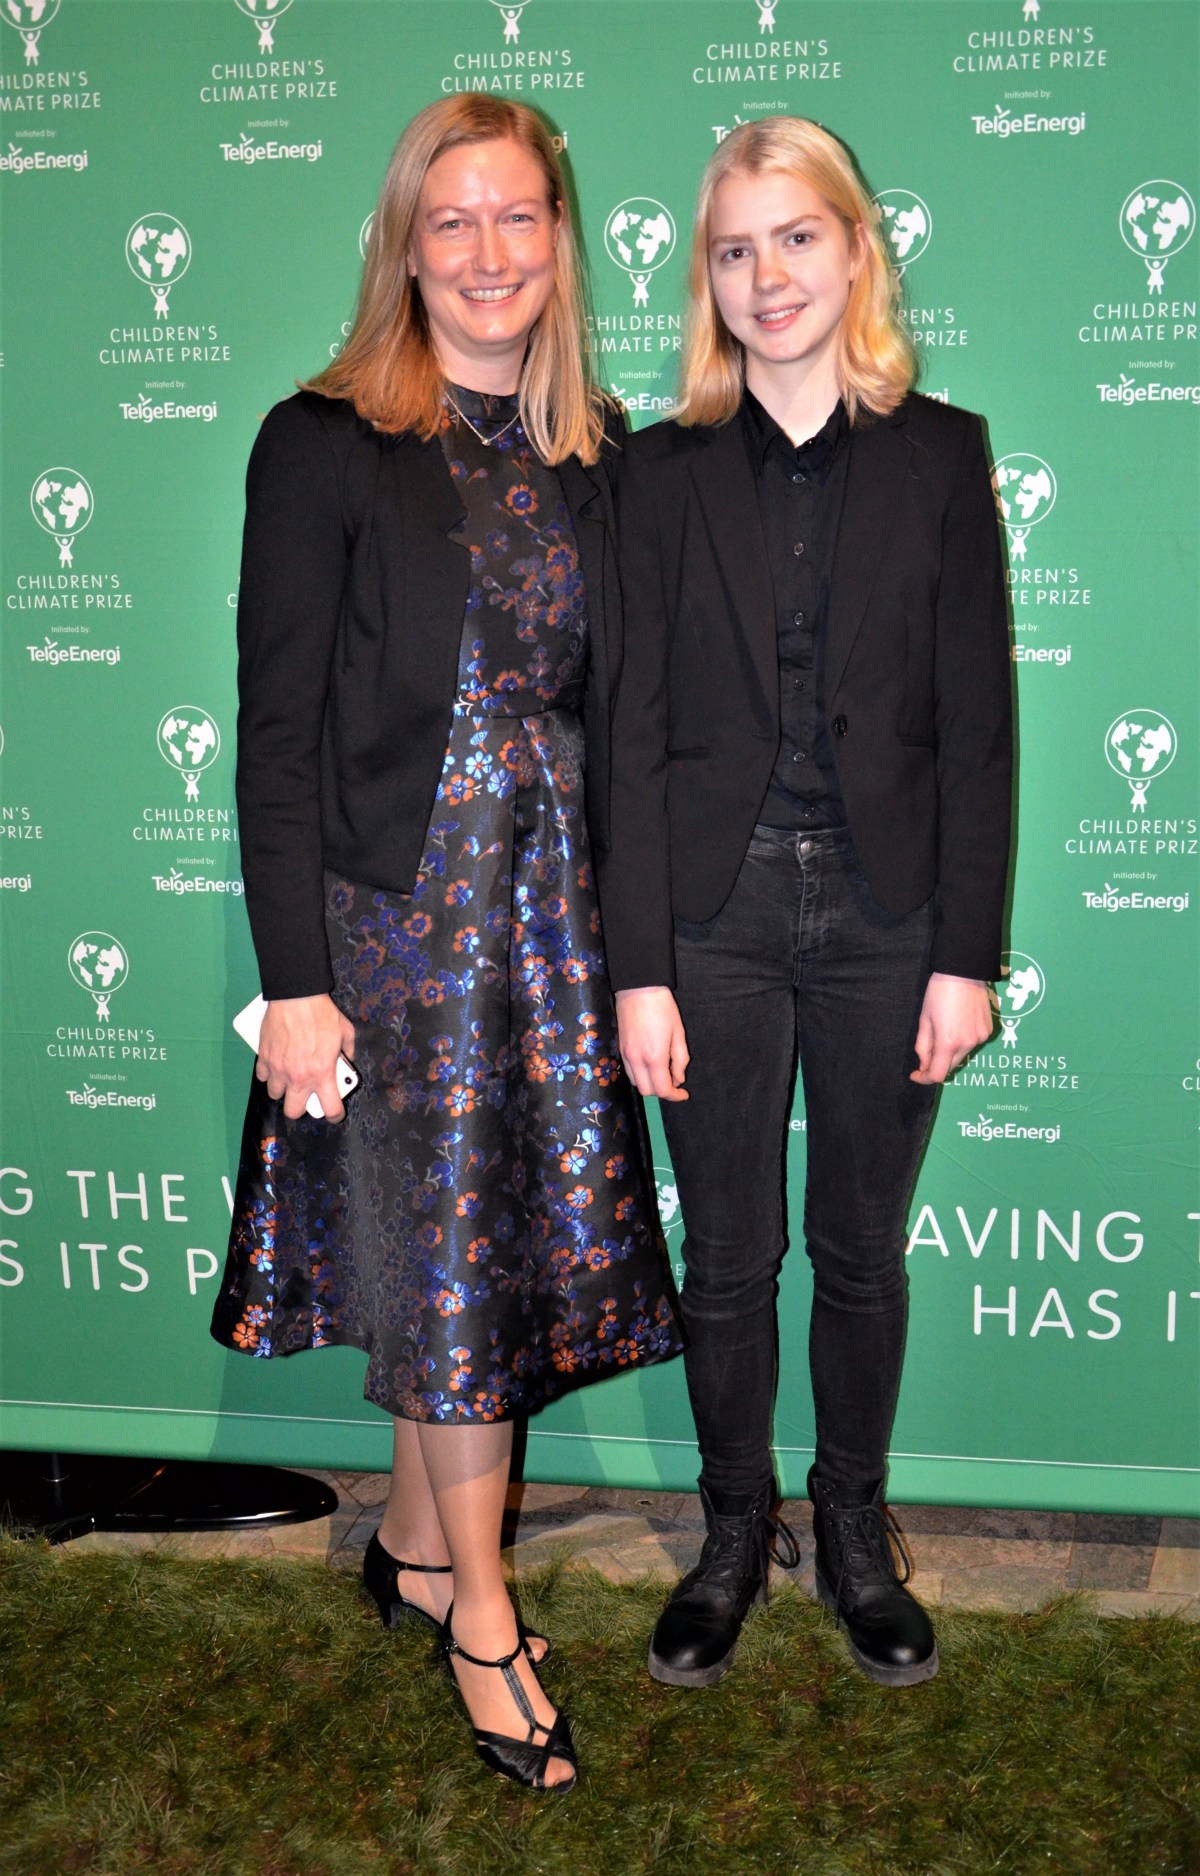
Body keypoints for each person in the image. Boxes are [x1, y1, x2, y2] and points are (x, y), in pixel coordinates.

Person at [211, 95, 682, 1792]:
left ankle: (417, 1545)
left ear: (561, 240)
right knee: (456, 1267)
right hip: (398, 933)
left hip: (551, 923)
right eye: (453, 221)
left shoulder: (597, 447)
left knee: (474, 1261)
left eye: (519, 217)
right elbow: (276, 733)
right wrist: (293, 983)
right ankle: (483, 1619)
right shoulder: (324, 438)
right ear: (405, 247)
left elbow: (627, 717)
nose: (489, 254)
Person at [600, 117, 1012, 1692]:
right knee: (723, 1257)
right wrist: (639, 966)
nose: (766, 276)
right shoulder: (655, 472)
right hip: (711, 924)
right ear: (705, 279)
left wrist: (964, 955)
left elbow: (977, 726)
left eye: (794, 237)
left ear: (854, 250)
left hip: (888, 917)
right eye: (734, 249)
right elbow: (630, 734)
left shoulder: (942, 454)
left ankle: (851, 1532)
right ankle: (729, 1534)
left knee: (858, 1249)